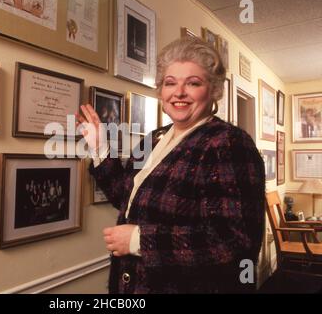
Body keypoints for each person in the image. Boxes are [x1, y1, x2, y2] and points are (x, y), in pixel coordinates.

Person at [76, 37, 265, 293]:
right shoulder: (155, 138)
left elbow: (235, 243)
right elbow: (125, 196)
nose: (179, 92)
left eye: (193, 83)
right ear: (161, 91)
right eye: (170, 83)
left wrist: (138, 240)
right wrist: (100, 148)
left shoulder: (228, 142)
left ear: (214, 91)